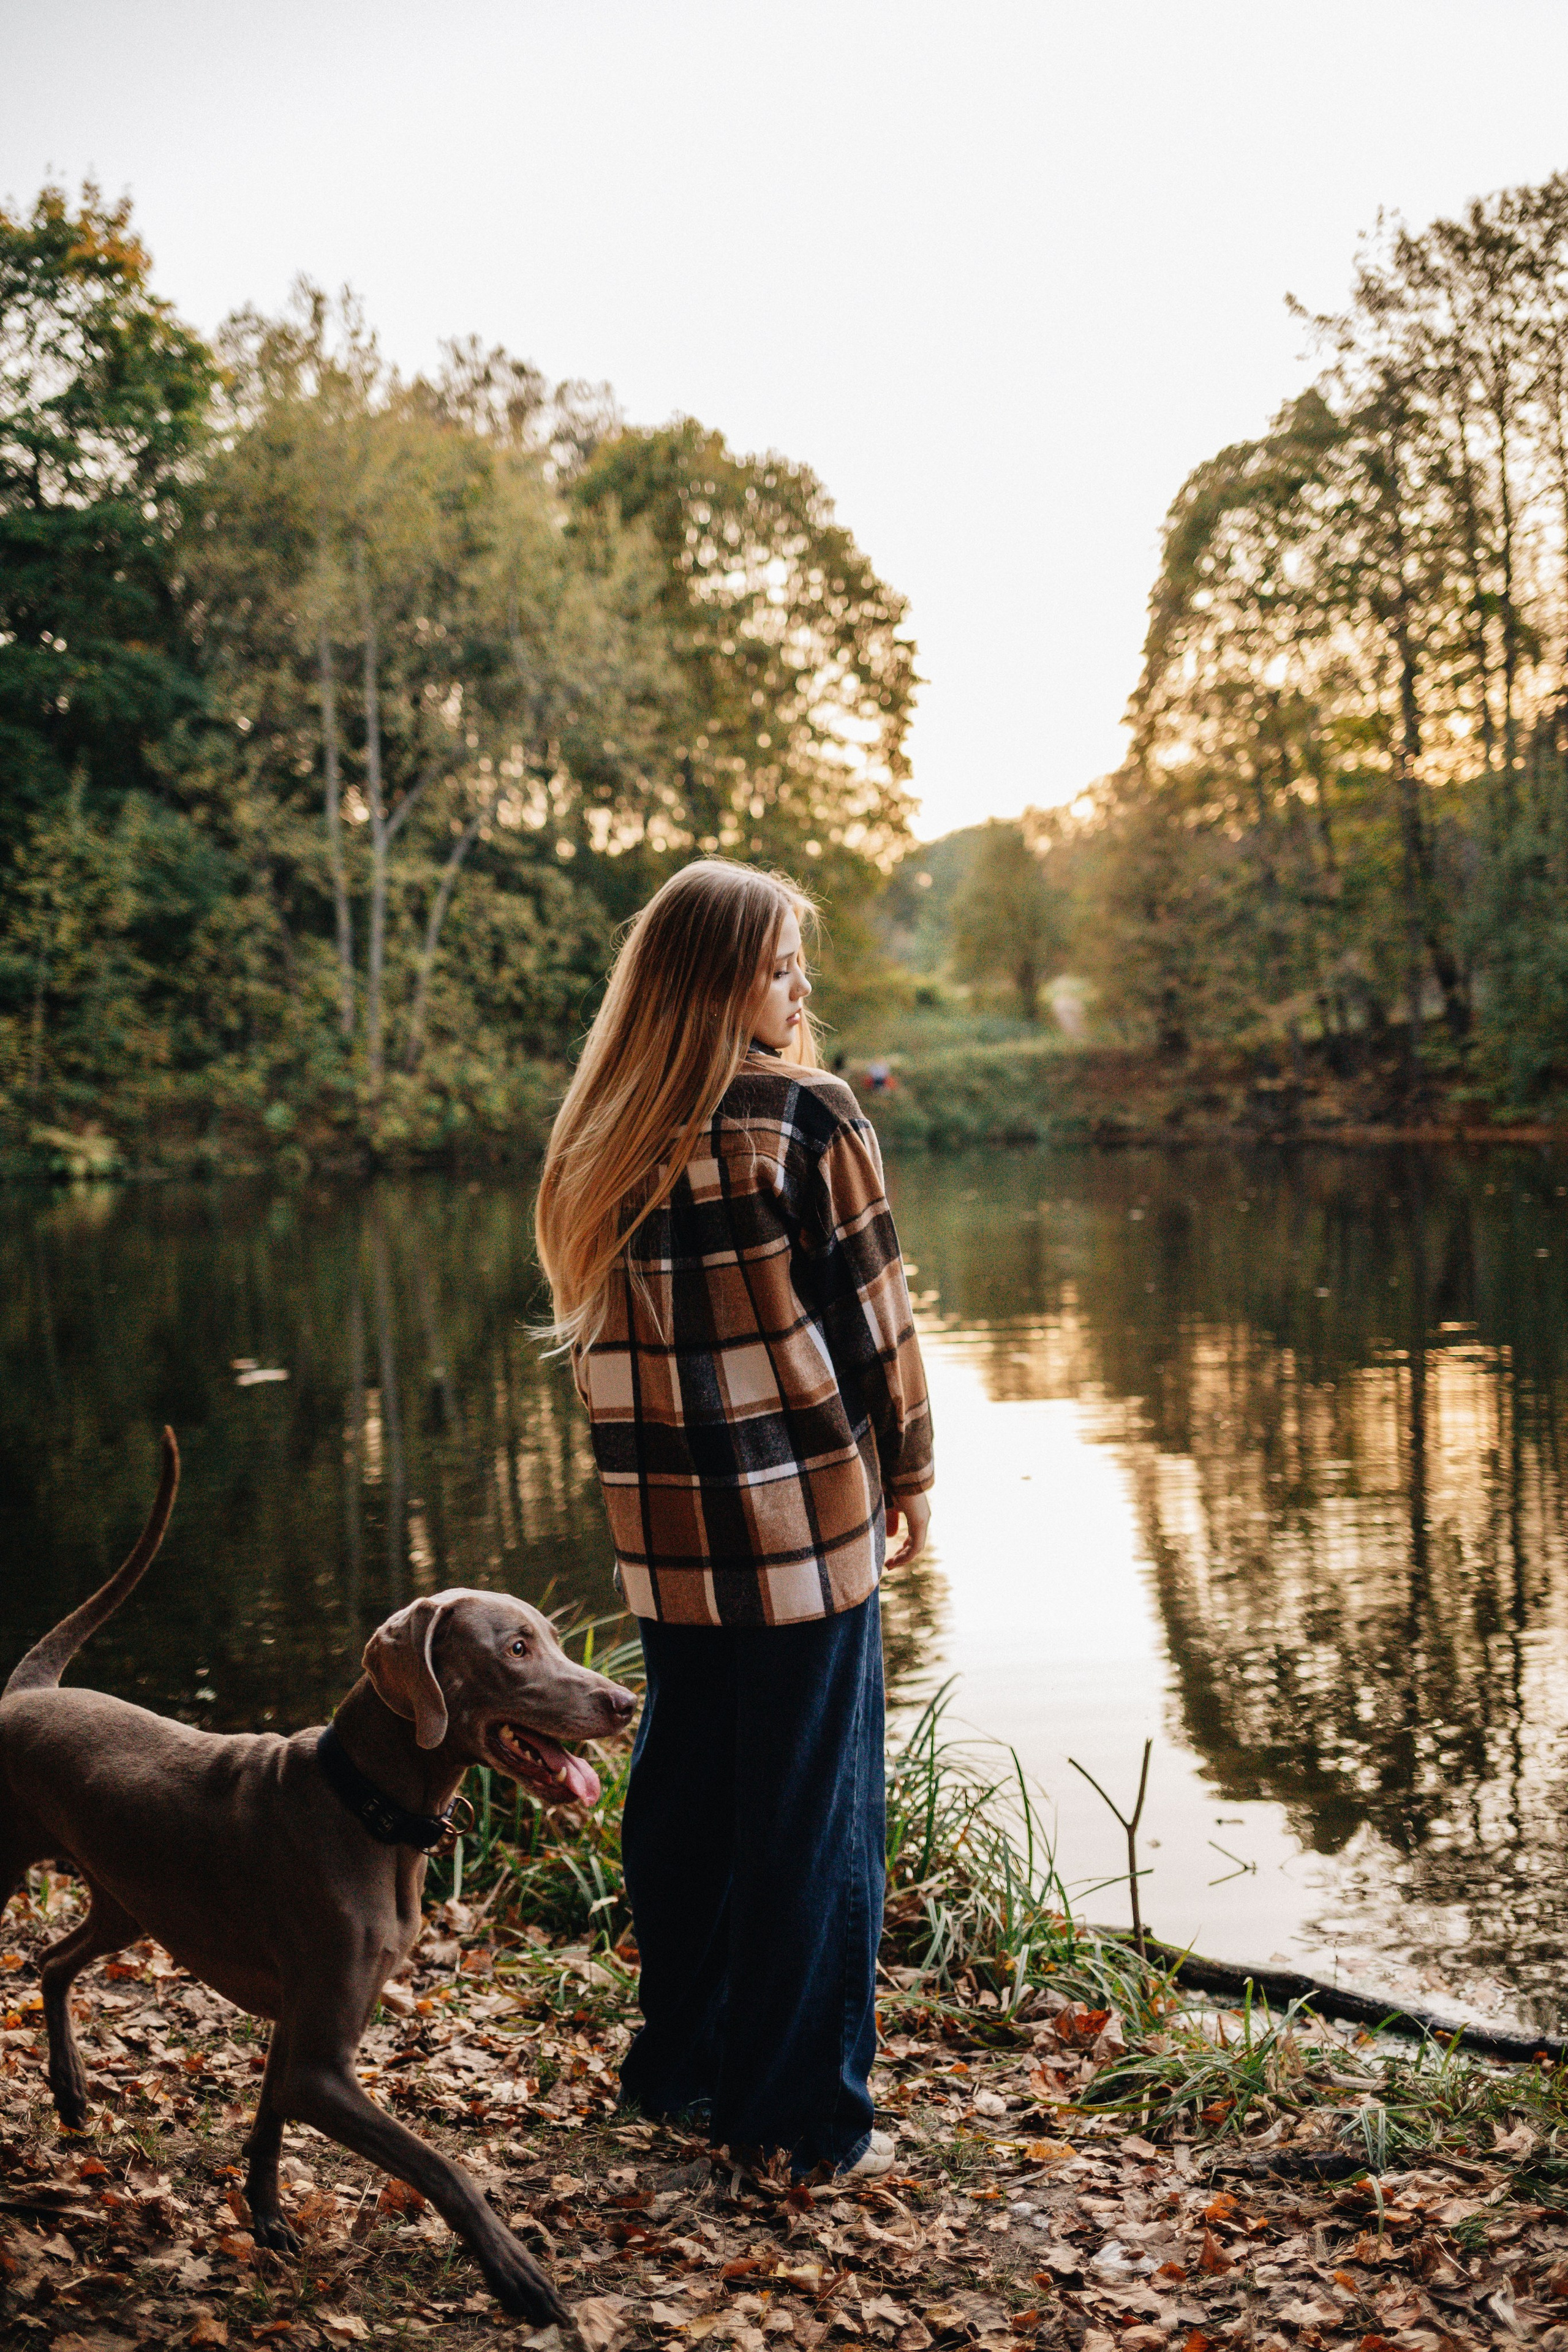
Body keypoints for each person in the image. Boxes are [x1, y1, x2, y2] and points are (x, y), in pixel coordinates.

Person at [534, 858, 934, 2179]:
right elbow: (878, 1330)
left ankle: (682, 2070)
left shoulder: (601, 1131)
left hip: (664, 1531)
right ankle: (804, 2120)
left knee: (693, 1786)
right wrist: (914, 1472)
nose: (799, 986)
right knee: (815, 1812)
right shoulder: (805, 1118)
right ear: (715, 983)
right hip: (802, 1523)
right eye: (776, 966)